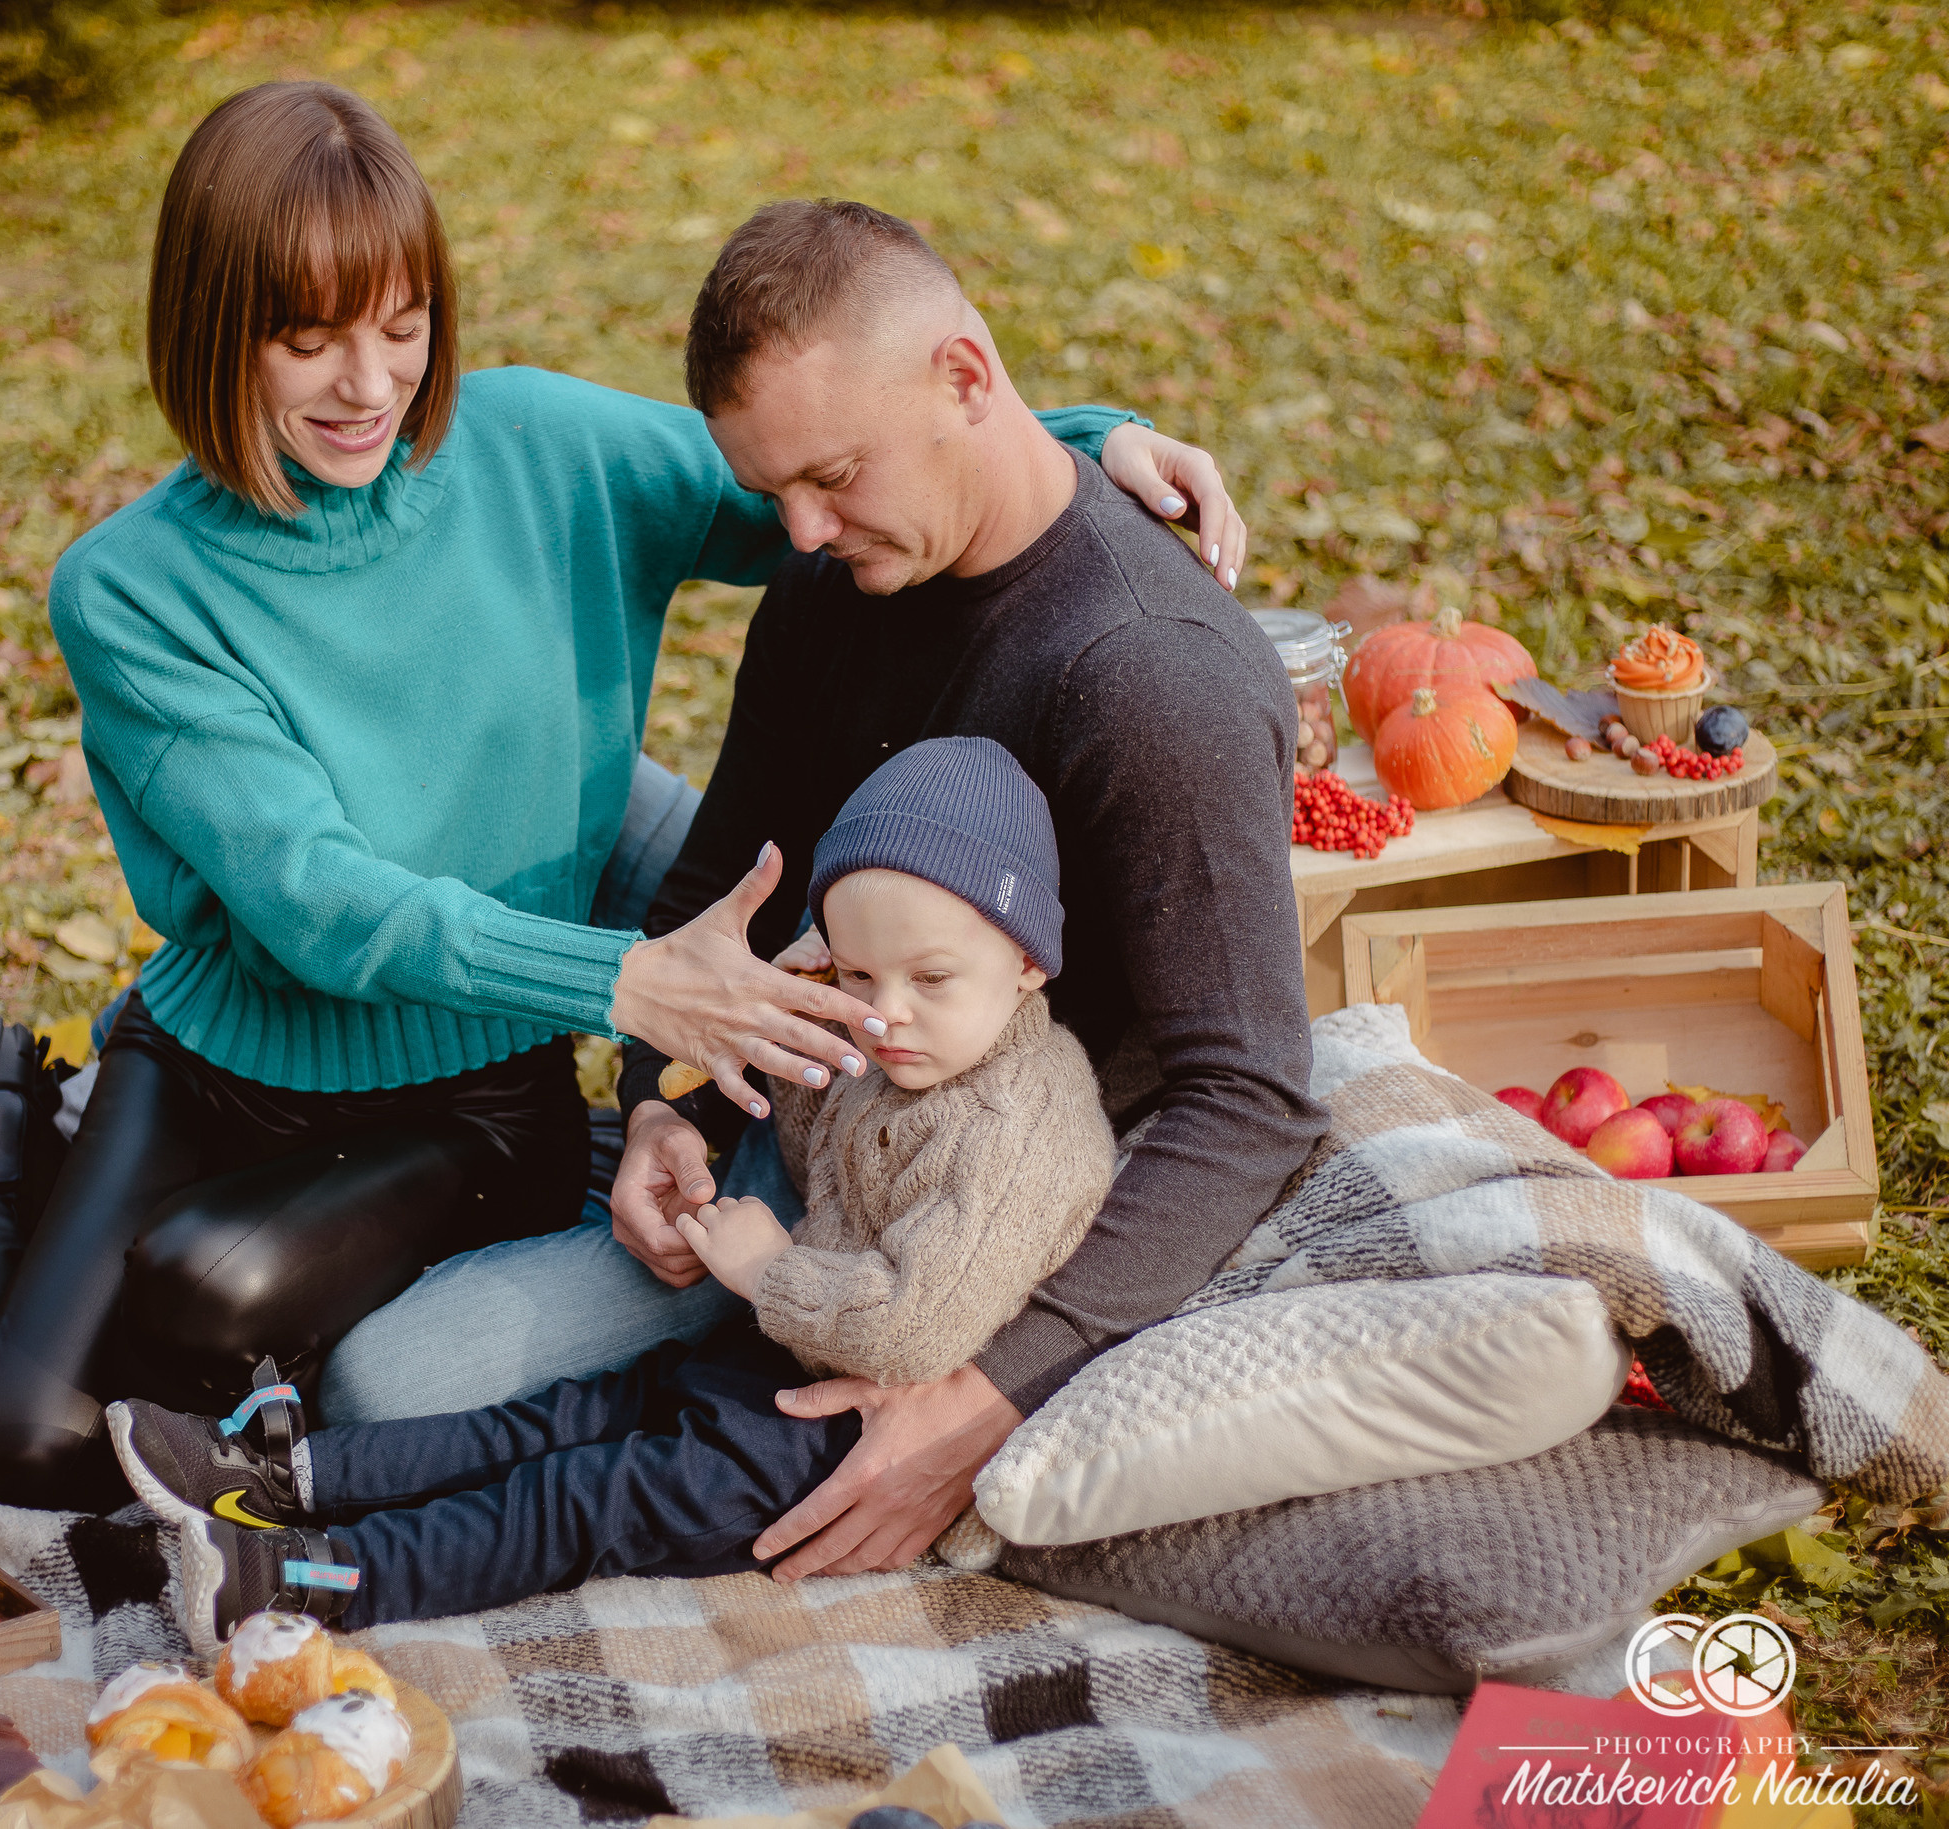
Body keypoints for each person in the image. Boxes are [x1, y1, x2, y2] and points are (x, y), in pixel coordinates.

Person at [0, 83, 1248, 1508]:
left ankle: (28, 1163)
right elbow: (315, 903)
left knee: (199, 1291)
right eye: (308, 341)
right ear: (213, 331)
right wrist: (627, 984)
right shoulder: (131, 591)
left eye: (403, 328)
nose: (370, 385)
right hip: (216, 1051)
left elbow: (828, 477)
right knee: (19, 1438)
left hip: (475, 1086)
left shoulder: (545, 449)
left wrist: (1079, 433)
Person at [347, 196, 1326, 1579]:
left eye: (834, 477)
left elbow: (1251, 1095)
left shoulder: (1149, 678)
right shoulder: (836, 581)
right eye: (773, 494)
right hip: (803, 1055)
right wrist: (648, 1105)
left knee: (387, 1392)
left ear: (966, 380)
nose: (800, 532)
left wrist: (981, 1400)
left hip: (930, 1187)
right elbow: (715, 874)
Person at [104, 739, 1116, 1640]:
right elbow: (821, 1132)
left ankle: (308, 1583)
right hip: (781, 1348)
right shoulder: (909, 1044)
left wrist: (771, 1267)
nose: (884, 1016)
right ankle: (284, 1474)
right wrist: (808, 983)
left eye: (925, 980)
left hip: (845, 1433)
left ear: (1028, 961)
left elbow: (916, 1328)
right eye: (859, 975)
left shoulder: (1011, 1121)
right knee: (562, 1414)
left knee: (575, 1496)